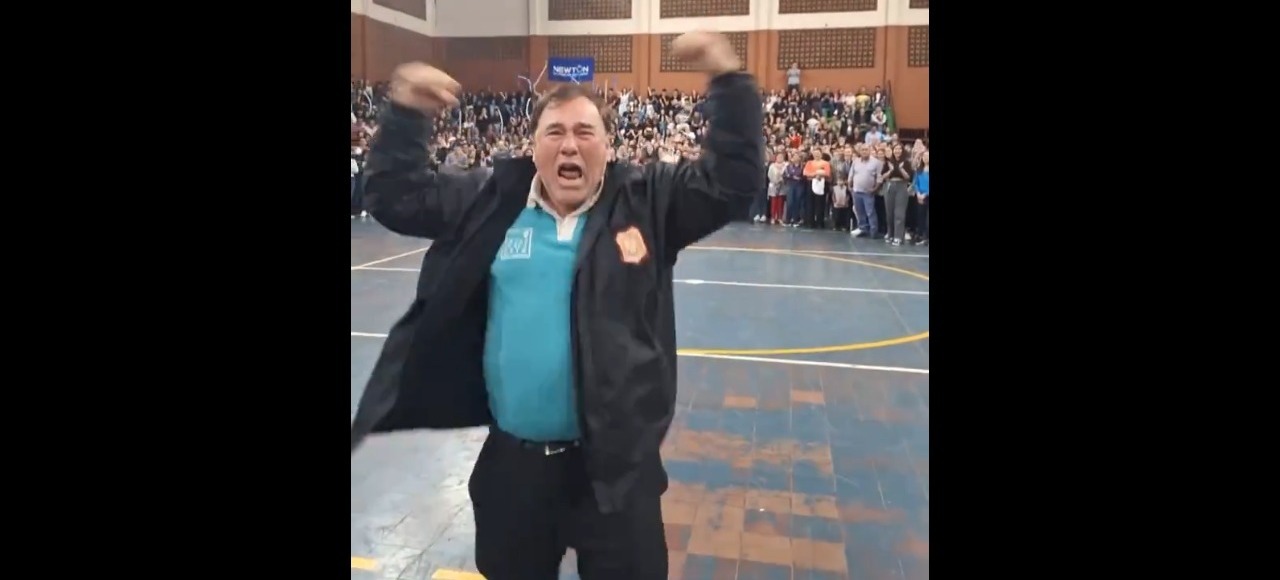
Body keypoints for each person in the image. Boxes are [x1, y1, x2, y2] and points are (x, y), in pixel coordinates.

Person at [349, 31, 764, 580]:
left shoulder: (647, 201)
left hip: (617, 476)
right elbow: (395, 197)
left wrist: (728, 79)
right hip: (513, 471)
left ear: (608, 145)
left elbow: (732, 184)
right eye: (556, 133)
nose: (570, 146)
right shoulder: (491, 200)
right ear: (534, 146)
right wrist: (404, 114)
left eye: (585, 132)